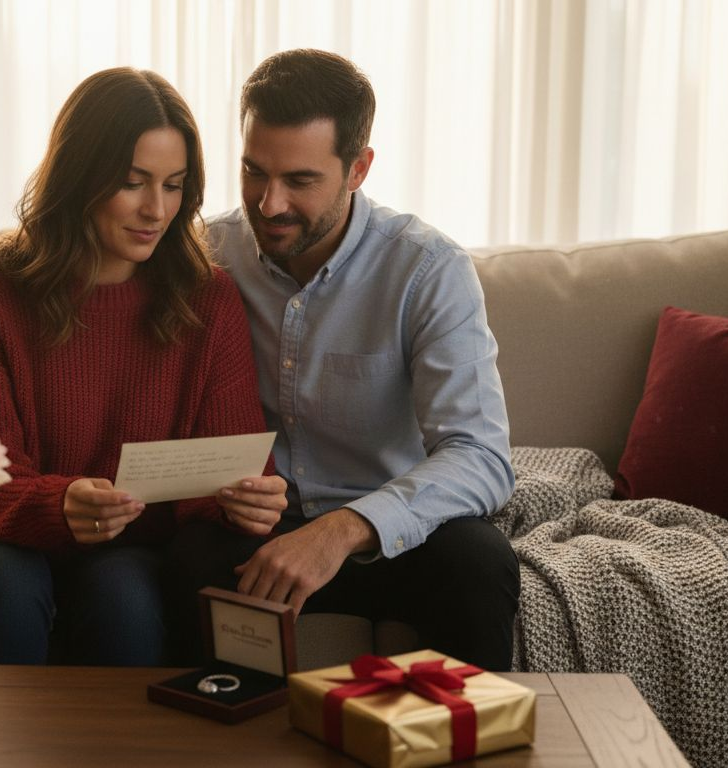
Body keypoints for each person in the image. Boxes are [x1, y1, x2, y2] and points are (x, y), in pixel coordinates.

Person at [166, 49, 519, 671]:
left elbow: (480, 456)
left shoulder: (427, 269)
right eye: (253, 172)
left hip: (390, 531)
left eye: (300, 181)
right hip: (257, 531)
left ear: (358, 169)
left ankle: (461, 729)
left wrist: (340, 529)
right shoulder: (206, 253)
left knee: (480, 562)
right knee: (184, 557)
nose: (269, 203)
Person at [0, 67, 288, 666]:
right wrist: (58, 504)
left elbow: (225, 463)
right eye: (132, 182)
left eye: (174, 186)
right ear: (79, 174)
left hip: (130, 550)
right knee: (5, 584)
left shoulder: (208, 297)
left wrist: (248, 500)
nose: (155, 209)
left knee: (123, 596)